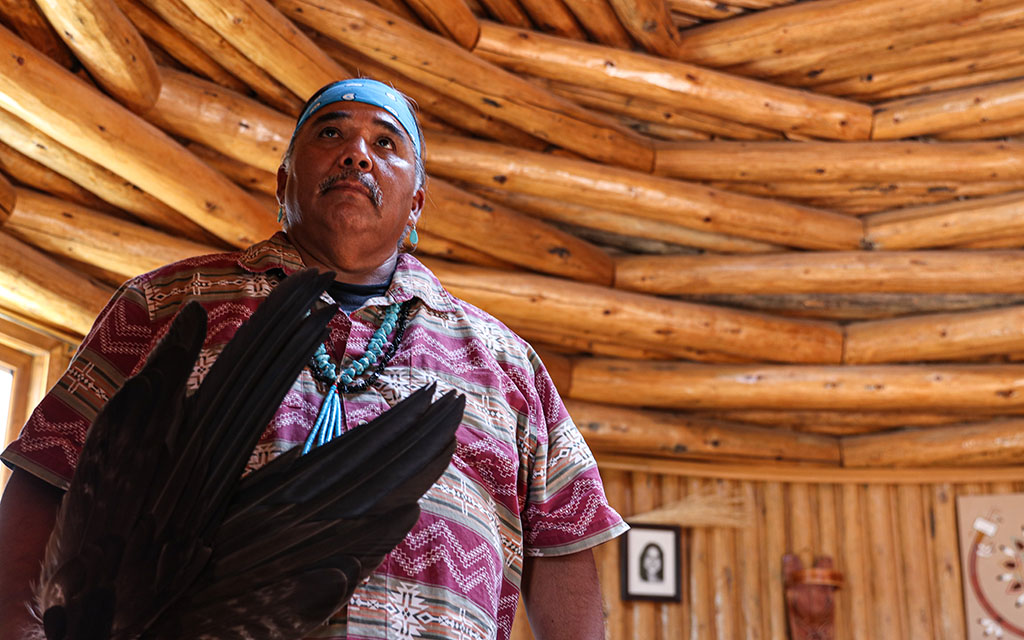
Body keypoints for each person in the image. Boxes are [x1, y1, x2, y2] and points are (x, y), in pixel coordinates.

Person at [0, 79, 627, 640]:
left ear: (416, 207)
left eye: (386, 143)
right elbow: (45, 491)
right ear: (283, 182)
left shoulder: (506, 362)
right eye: (332, 133)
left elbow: (562, 552)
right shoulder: (164, 304)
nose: (357, 152)